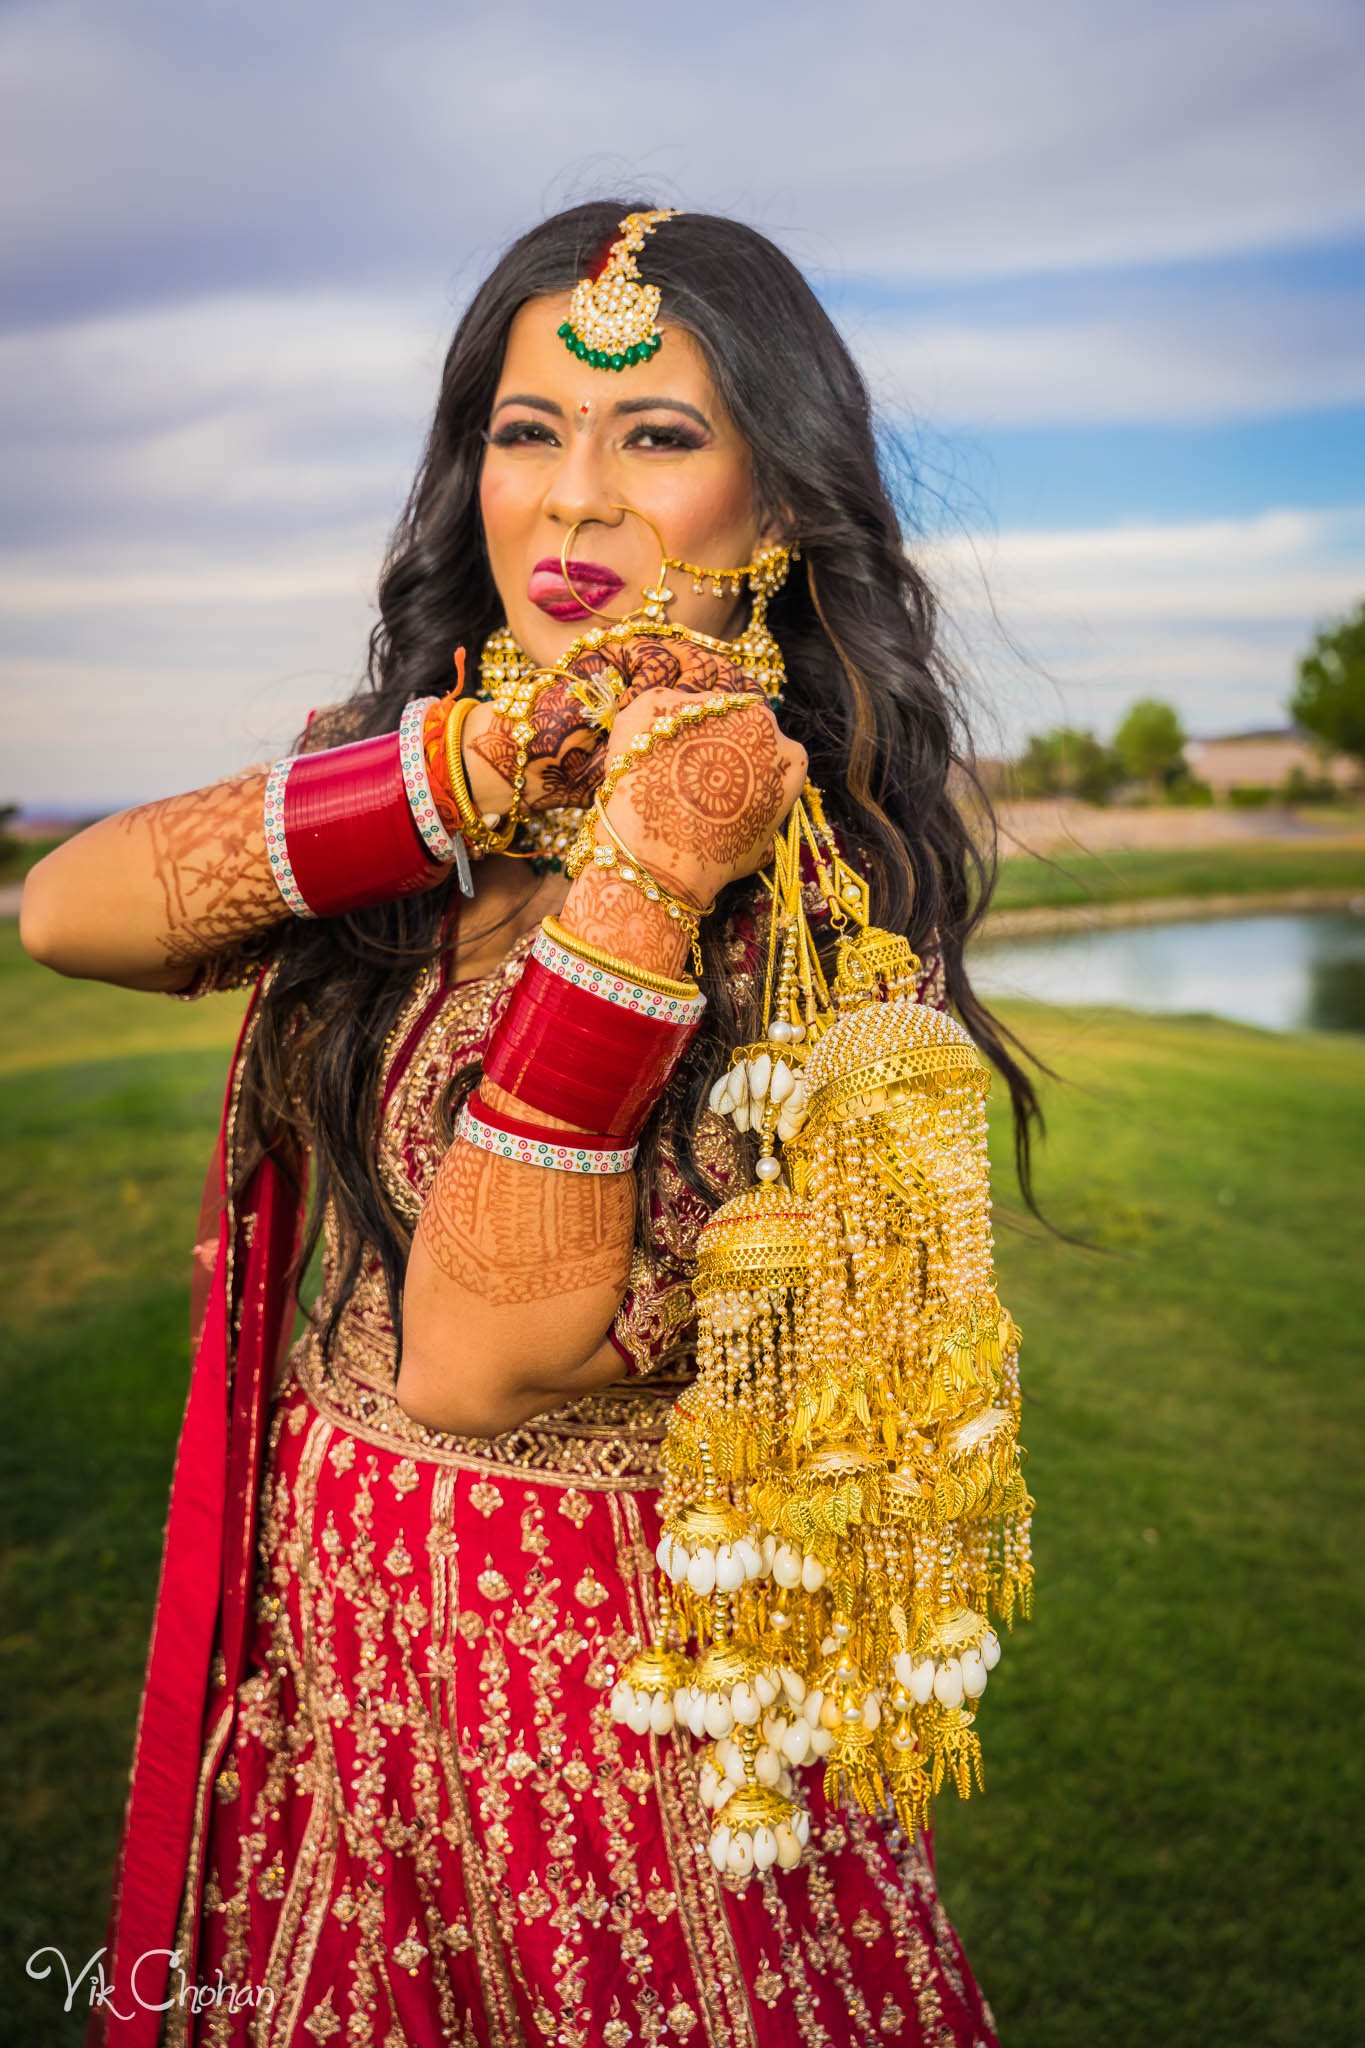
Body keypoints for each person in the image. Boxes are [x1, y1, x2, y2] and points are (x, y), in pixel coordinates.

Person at [21, 201, 1037, 2048]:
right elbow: (68, 910)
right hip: (335, 1666)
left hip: (610, 1731)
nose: (572, 498)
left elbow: (479, 1367)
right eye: (522, 430)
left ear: (782, 498)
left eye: (655, 435)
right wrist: (472, 765)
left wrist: (645, 877)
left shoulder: (815, 909)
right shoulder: (423, 779)